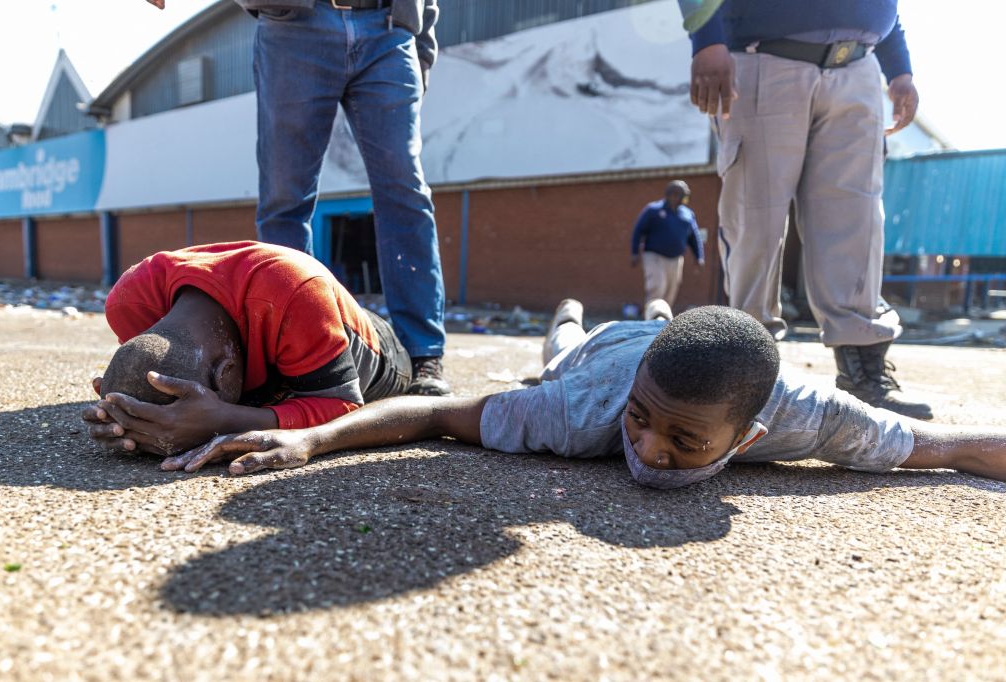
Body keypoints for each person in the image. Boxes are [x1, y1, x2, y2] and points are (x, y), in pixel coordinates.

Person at [157, 300, 1006, 492]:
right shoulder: (583, 412)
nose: (649, 449)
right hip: (603, 355)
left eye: (687, 443)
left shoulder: (809, 415)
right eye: (644, 421)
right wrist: (309, 441)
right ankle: (573, 317)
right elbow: (433, 413)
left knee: (646, 332)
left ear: (747, 439)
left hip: (664, 352)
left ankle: (657, 317)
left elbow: (953, 447)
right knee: (561, 350)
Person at [143, 0, 450, 396]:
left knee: (405, 192)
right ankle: (294, 354)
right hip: (296, 25)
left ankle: (423, 352)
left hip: (390, 29)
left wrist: (420, 42)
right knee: (285, 199)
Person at [685, 1, 931, 420]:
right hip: (762, 58)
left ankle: (863, 376)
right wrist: (706, 41)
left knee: (856, 222)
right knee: (755, 220)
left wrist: (900, 70)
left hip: (859, 68)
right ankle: (746, 380)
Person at [81, 241, 412, 456]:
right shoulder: (127, 303)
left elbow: (344, 406)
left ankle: (426, 362)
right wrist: (119, 404)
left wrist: (226, 420)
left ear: (226, 374)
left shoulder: (298, 294)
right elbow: (143, 367)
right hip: (289, 319)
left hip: (379, 350)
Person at [630, 180, 705, 312]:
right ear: (674, 194)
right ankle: (651, 321)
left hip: (676, 259)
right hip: (654, 256)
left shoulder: (687, 214)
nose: (686, 198)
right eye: (684, 194)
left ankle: (662, 322)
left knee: (670, 292)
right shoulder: (653, 210)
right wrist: (635, 252)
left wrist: (699, 256)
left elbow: (694, 236)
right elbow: (638, 230)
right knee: (657, 287)